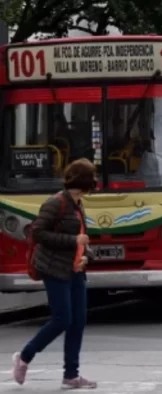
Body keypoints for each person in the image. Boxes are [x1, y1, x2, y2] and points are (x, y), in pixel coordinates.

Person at [12, 158, 97, 389]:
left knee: (78, 322)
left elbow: (82, 236)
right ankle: (25, 356)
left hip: (76, 270)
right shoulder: (56, 203)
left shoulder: (78, 204)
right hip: (54, 268)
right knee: (62, 319)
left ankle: (71, 375)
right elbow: (37, 232)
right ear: (85, 181)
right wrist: (72, 241)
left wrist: (86, 255)